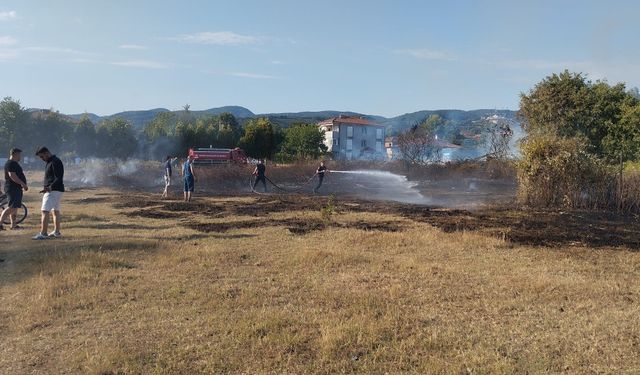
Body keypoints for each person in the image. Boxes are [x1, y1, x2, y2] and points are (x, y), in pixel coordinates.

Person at [33, 147, 64, 240]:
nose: (42, 159)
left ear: (47, 153)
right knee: (55, 211)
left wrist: (50, 187)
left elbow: (58, 177)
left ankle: (43, 233)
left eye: (42, 156)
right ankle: (56, 232)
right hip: (56, 190)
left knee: (45, 211)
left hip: (53, 190)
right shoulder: (51, 161)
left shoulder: (55, 161)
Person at [0, 148, 28, 231]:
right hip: (12, 188)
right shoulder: (10, 163)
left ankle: (13, 225)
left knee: (14, 207)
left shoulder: (14, 163)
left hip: (16, 188)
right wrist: (22, 183)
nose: (20, 157)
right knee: (11, 207)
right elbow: (12, 175)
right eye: (19, 155)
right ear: (15, 154)